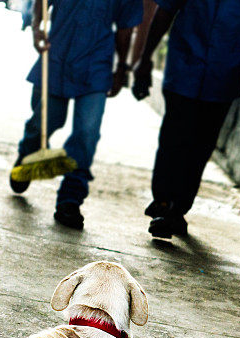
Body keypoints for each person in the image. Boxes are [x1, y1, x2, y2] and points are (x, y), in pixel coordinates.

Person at [131, 0, 240, 238]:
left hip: (223, 75)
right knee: (174, 138)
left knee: (202, 146)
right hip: (184, 68)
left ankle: (178, 208)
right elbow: (165, 11)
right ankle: (163, 204)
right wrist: (145, 58)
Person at [10, 0, 142, 230]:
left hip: (96, 65)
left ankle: (70, 200)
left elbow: (125, 26)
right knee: (43, 123)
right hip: (57, 55)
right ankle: (27, 154)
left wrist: (121, 68)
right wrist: (37, 27)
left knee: (86, 133)